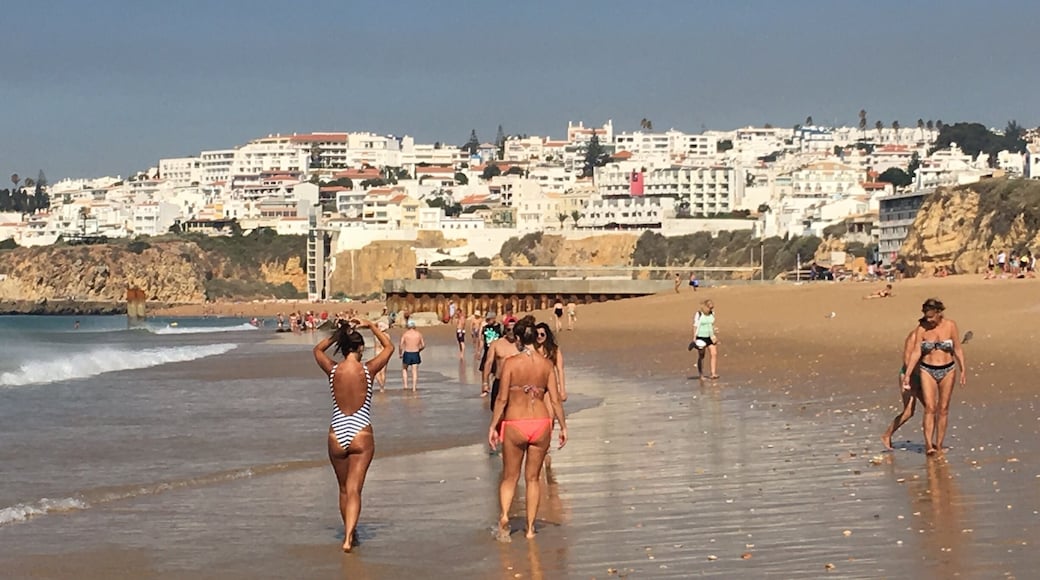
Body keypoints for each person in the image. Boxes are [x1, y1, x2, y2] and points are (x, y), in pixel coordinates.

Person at [312, 317, 393, 552]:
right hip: (360, 431)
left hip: (336, 431)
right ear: (360, 349)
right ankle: (348, 538)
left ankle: (351, 532)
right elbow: (389, 347)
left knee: (344, 489)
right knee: (356, 489)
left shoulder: (333, 369)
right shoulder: (367, 370)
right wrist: (371, 325)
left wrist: (339, 332)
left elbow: (317, 350)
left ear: (344, 346)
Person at [488, 315, 567, 541]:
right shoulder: (546, 365)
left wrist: (493, 426)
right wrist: (563, 426)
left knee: (510, 477)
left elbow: (502, 399)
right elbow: (555, 400)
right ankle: (531, 529)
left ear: (520, 339)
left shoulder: (511, 363)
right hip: (541, 423)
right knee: (533, 478)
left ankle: (504, 515)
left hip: (515, 422)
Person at [903, 298, 967, 455]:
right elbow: (916, 352)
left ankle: (939, 444)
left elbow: (957, 348)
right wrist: (908, 374)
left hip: (948, 369)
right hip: (927, 370)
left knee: (943, 409)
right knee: (930, 408)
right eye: (927, 317)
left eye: (931, 317)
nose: (929, 320)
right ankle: (928, 446)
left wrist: (963, 369)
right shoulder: (921, 329)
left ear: (939, 313)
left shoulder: (950, 325)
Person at [881, 323, 924, 450]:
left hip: (924, 376)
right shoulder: (913, 337)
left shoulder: (931, 336)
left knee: (932, 410)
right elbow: (907, 360)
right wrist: (912, 377)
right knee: (908, 412)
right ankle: (887, 434)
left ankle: (932, 443)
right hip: (909, 376)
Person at [482, 316, 520, 404]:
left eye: (513, 329)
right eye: (508, 329)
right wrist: (485, 383)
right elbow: (488, 363)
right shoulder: (496, 344)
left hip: (516, 384)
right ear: (505, 330)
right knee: (496, 410)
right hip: (499, 382)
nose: (511, 332)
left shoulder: (522, 345)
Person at [691, 299, 719, 379]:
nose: (711, 309)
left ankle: (713, 373)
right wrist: (694, 337)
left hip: (710, 336)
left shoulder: (712, 313)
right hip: (701, 337)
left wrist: (715, 332)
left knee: (714, 353)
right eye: (709, 308)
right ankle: (701, 374)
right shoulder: (699, 314)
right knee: (702, 356)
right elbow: (695, 325)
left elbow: (712, 324)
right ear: (705, 307)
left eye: (712, 308)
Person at [399, 320, 425, 391]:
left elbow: (401, 345)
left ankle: (405, 385)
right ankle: (414, 388)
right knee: (414, 371)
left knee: (404, 369)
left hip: (407, 352)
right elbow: (423, 345)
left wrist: (400, 353)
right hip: (415, 353)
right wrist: (419, 350)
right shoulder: (418, 334)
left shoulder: (405, 334)